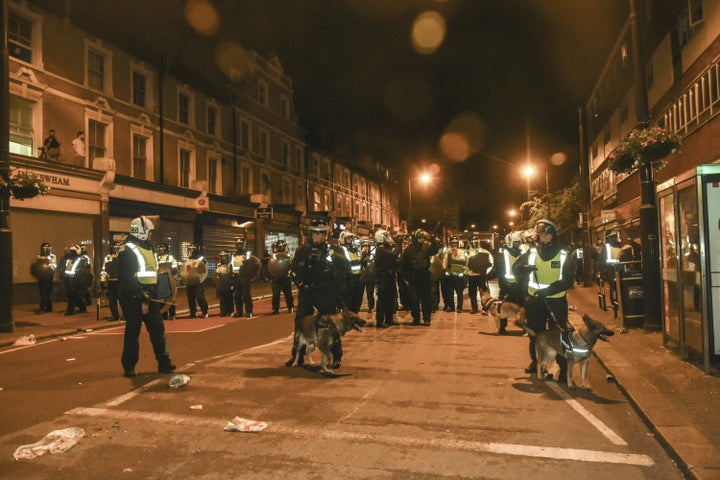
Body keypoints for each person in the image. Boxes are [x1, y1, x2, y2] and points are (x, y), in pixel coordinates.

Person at [512, 219, 574, 383]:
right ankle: (537, 362)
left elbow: (567, 281)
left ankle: (564, 370)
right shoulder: (532, 252)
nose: (543, 238)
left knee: (559, 336)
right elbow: (515, 269)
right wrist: (521, 269)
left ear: (553, 235)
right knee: (535, 334)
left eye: (546, 234)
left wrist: (546, 291)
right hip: (535, 302)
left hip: (555, 301)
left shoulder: (563, 254)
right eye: (541, 235)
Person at [117, 216, 175, 377]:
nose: (151, 235)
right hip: (134, 297)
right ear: (142, 231)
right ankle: (129, 367)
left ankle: (164, 363)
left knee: (158, 330)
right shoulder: (127, 250)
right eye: (149, 232)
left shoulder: (149, 247)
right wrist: (140, 294)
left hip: (151, 294)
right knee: (132, 333)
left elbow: (154, 271)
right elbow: (127, 277)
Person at [286, 218, 343, 368]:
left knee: (330, 323)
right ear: (310, 234)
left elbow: (344, 270)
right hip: (307, 291)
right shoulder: (302, 250)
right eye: (315, 234)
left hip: (325, 290)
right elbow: (292, 271)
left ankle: (336, 356)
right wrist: (301, 284)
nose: (318, 237)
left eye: (321, 234)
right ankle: (297, 357)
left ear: (326, 234)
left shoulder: (332, 250)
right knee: (300, 323)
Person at [401, 229, 441, 326]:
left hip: (424, 277)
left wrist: (432, 239)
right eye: (419, 238)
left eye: (422, 238)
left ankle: (426, 319)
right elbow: (404, 263)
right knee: (414, 300)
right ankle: (416, 319)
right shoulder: (408, 249)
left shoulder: (426, 247)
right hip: (413, 277)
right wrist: (406, 277)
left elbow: (435, 250)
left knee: (426, 299)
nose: (421, 240)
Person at [373, 228, 399, 328]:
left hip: (389, 277)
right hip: (383, 278)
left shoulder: (386, 248)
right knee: (382, 300)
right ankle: (380, 320)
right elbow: (393, 256)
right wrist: (398, 246)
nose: (389, 238)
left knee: (390, 299)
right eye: (386, 236)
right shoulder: (381, 249)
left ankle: (389, 318)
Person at [466, 236, 495, 315]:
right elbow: (465, 263)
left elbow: (489, 263)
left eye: (476, 241)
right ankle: (474, 308)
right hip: (472, 275)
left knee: (483, 293)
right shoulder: (468, 252)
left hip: (481, 275)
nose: (475, 243)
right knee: (472, 293)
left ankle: (485, 307)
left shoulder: (484, 251)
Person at [338, 229, 364, 313]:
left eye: (351, 238)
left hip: (357, 277)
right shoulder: (343, 249)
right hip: (349, 278)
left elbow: (359, 260)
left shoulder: (353, 249)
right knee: (349, 300)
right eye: (348, 238)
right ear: (343, 239)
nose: (350, 240)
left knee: (357, 299)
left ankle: (355, 315)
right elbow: (348, 261)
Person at [181, 243, 209, 318]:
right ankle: (193, 313)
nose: (189, 251)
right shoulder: (188, 259)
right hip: (189, 280)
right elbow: (185, 270)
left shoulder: (201, 258)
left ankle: (205, 312)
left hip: (198, 280)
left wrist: (202, 278)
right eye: (189, 249)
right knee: (190, 298)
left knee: (200, 297)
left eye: (191, 249)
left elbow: (204, 269)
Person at [60, 244, 89, 315]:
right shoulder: (69, 260)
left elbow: (83, 270)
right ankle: (82, 307)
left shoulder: (81, 259)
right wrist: (63, 275)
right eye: (71, 251)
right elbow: (66, 268)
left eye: (73, 251)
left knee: (73, 295)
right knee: (73, 295)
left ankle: (70, 310)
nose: (71, 253)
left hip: (76, 280)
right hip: (68, 279)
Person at [442, 236, 467, 312]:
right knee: (450, 292)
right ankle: (451, 306)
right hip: (450, 275)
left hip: (458, 276)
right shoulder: (447, 252)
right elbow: (444, 263)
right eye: (452, 243)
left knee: (459, 292)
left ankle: (459, 307)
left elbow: (464, 262)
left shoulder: (462, 252)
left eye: (455, 243)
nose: (454, 245)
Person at [30, 242, 57, 314]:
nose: (46, 250)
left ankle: (42, 308)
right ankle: (49, 307)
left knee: (45, 292)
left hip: (49, 277)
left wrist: (47, 267)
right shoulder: (39, 256)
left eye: (48, 248)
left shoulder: (52, 256)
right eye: (45, 248)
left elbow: (54, 266)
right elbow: (36, 266)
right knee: (43, 293)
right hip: (41, 277)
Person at [269, 240, 295, 315]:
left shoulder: (288, 256)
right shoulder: (274, 256)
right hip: (276, 277)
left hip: (285, 276)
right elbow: (271, 266)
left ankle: (290, 307)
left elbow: (291, 266)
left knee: (288, 293)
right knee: (276, 294)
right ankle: (276, 309)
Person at [231, 237, 254, 318]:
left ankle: (249, 311)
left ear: (244, 245)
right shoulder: (233, 255)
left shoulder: (247, 254)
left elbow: (251, 265)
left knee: (246, 295)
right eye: (238, 244)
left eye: (241, 244)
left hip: (245, 277)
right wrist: (231, 275)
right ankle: (239, 312)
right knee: (236, 295)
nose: (239, 246)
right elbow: (232, 266)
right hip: (236, 277)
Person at [156, 243, 179, 320]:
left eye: (161, 249)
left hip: (169, 279)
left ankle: (172, 314)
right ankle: (163, 314)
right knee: (162, 298)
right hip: (161, 280)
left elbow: (175, 268)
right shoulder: (157, 258)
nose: (160, 251)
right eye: (159, 249)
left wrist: (172, 275)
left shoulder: (170, 257)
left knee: (170, 297)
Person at [101, 242, 122, 321]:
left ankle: (127, 315)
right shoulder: (108, 257)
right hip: (111, 281)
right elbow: (104, 270)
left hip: (121, 282)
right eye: (115, 247)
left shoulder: (123, 257)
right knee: (112, 300)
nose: (116, 249)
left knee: (123, 300)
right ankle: (115, 316)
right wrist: (102, 281)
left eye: (118, 247)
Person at [214, 250, 235, 317]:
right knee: (222, 299)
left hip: (229, 283)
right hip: (221, 284)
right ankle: (223, 311)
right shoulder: (219, 265)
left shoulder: (230, 264)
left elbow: (232, 274)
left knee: (229, 298)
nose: (223, 258)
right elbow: (216, 274)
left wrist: (232, 283)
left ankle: (230, 311)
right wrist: (216, 283)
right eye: (222, 256)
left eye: (225, 256)